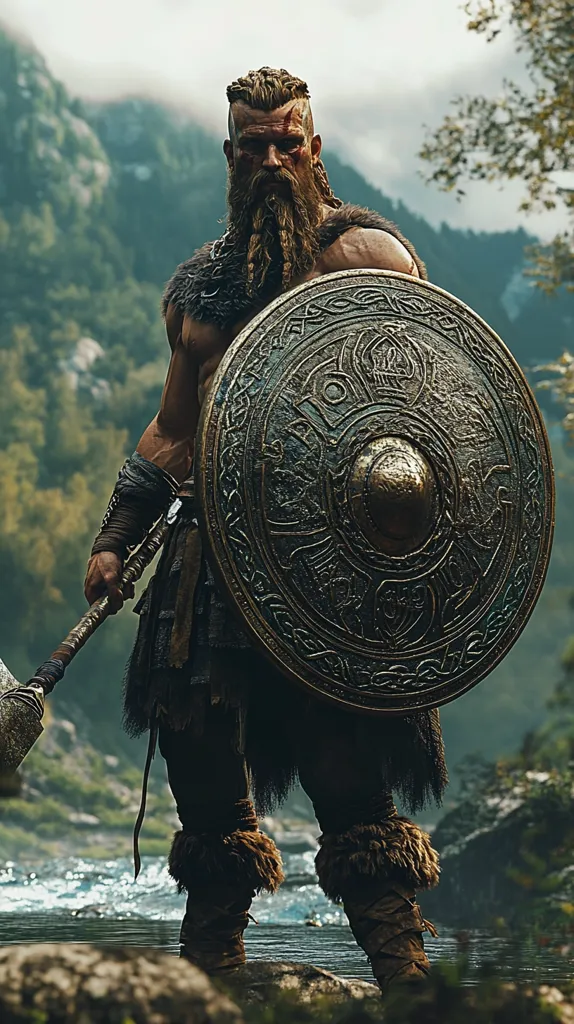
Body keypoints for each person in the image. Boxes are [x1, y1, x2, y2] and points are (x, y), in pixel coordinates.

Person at [84, 67, 447, 991]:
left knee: (345, 770)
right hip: (208, 562)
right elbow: (171, 430)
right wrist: (117, 533)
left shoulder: (368, 259)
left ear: (315, 148)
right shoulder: (202, 291)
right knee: (202, 766)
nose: (274, 160)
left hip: (334, 567)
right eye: (256, 146)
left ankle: (410, 989)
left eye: (289, 141)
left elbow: (436, 410)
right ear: (231, 157)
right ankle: (209, 980)